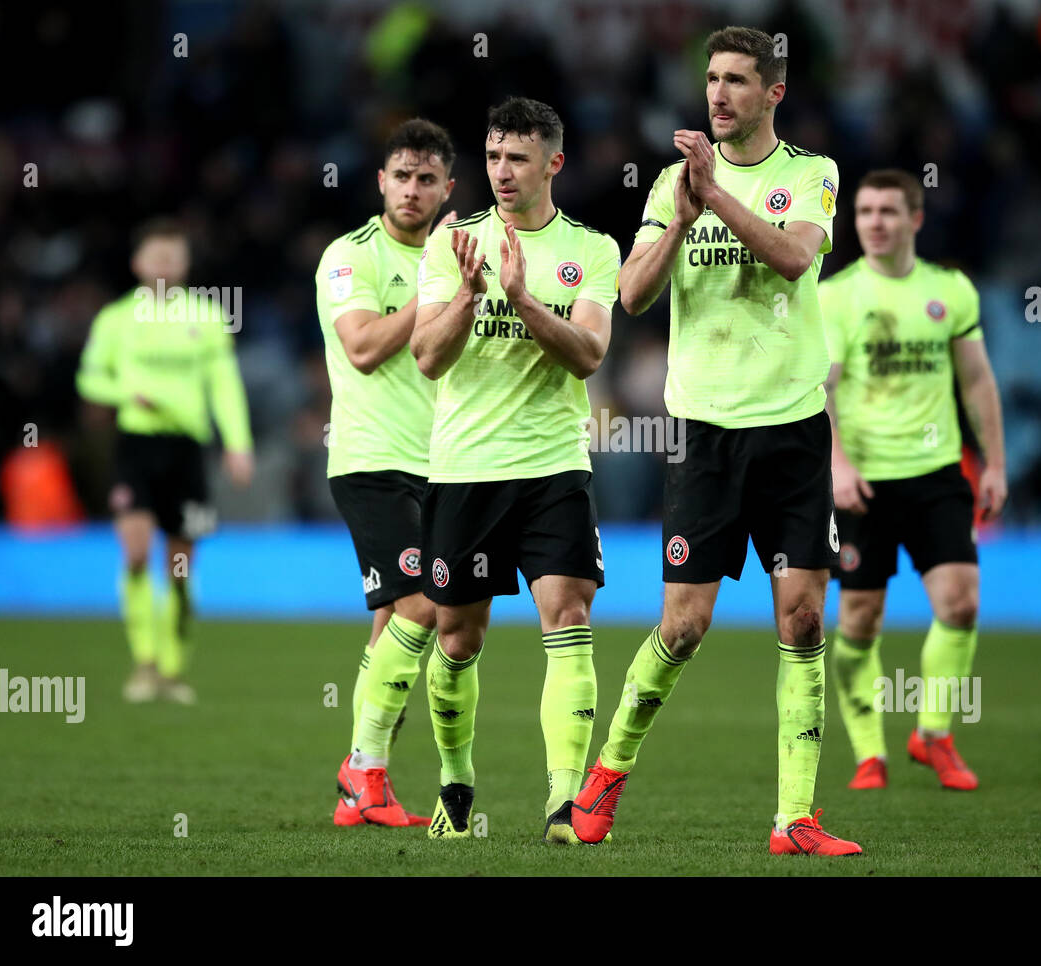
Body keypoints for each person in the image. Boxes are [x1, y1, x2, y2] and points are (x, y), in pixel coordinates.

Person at [572, 27, 860, 856]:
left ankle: (794, 820)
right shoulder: (671, 185)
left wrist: (720, 198)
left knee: (803, 619)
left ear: (774, 92)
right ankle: (607, 776)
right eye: (711, 80)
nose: (719, 94)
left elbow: (794, 260)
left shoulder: (810, 175)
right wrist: (681, 216)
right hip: (704, 434)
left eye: (737, 80)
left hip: (794, 432)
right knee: (684, 625)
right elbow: (630, 295)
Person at [412, 97, 620, 843]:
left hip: (554, 468)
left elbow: (589, 353)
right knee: (458, 639)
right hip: (465, 468)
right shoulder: (451, 246)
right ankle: (456, 782)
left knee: (569, 616)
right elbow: (428, 357)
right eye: (494, 157)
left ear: (553, 164)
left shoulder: (592, 251)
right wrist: (471, 294)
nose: (501, 172)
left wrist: (524, 297)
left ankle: (564, 804)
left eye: (518, 159)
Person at [818, 168, 1007, 791]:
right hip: (864, 482)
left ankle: (933, 734)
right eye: (865, 211)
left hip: (936, 475)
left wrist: (996, 465)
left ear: (915, 220)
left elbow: (977, 380)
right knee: (860, 623)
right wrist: (838, 464)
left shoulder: (950, 291)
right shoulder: (837, 295)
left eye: (888, 211)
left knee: (961, 602)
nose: (874, 221)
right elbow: (825, 389)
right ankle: (870, 750)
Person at [316, 119, 459, 827]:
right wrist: (438, 282)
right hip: (373, 462)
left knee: (394, 630)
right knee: (423, 608)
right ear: (380, 181)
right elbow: (366, 346)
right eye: (401, 175)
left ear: (447, 188)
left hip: (447, 464)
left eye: (426, 178)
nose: (412, 189)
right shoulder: (350, 257)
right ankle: (362, 767)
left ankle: (362, 786)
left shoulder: (460, 257)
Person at [76, 219, 253, 705]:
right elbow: (89, 380)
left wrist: (238, 443)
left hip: (187, 451)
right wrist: (125, 392)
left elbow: (225, 385)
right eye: (155, 256)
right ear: (138, 263)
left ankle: (173, 669)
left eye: (173, 257)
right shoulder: (115, 319)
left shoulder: (207, 316)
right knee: (135, 552)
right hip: (135, 445)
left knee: (179, 565)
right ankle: (144, 662)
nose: (164, 265)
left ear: (185, 265)